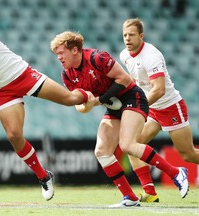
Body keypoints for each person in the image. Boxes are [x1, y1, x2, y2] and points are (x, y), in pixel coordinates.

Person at [0, 26, 97, 201]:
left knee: (70, 100)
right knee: (14, 136)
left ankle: (98, 94)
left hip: (22, 75)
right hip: (2, 90)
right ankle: (43, 176)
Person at [50, 31, 189, 207]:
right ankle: (130, 197)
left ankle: (176, 172)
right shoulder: (67, 75)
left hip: (133, 98)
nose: (59, 58)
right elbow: (79, 105)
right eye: (57, 54)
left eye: (61, 53)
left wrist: (99, 100)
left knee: (128, 145)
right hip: (112, 106)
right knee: (101, 151)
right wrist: (86, 104)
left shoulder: (97, 57)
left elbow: (125, 79)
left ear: (75, 50)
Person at [120, 18, 199, 203]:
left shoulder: (152, 55)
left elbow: (159, 89)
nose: (127, 39)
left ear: (141, 36)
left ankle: (176, 175)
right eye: (124, 35)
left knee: (188, 154)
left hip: (170, 107)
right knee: (132, 145)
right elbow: (135, 78)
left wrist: (139, 104)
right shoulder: (125, 55)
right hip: (153, 109)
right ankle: (150, 192)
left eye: (131, 35)